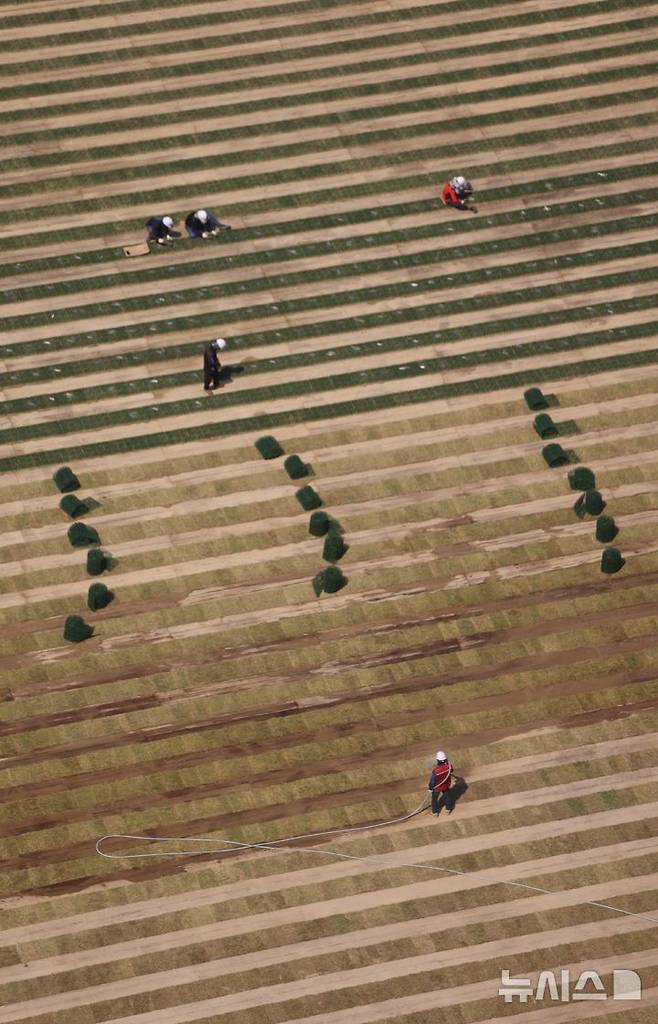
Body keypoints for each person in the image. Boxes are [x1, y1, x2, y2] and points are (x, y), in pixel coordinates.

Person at [428, 750, 455, 814]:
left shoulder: (436, 771)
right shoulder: (449, 766)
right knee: (447, 796)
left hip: (437, 788)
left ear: (438, 760)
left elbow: (432, 781)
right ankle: (448, 809)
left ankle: (435, 812)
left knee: (434, 800)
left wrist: (430, 788)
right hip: (446, 785)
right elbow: (451, 770)